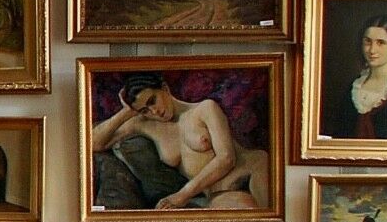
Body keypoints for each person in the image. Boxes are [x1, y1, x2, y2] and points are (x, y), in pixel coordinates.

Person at [91, 71, 271, 210]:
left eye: (152, 101)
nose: (154, 111)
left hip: (252, 170)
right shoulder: (143, 124)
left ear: (165, 89)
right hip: (218, 191)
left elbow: (226, 159)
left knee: (269, 216)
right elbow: (92, 143)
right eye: (144, 110)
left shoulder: (205, 109)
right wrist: (127, 112)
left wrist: (182, 195)